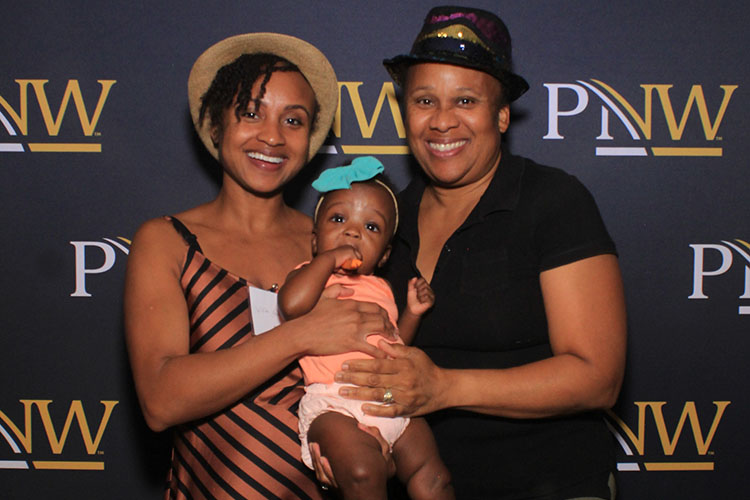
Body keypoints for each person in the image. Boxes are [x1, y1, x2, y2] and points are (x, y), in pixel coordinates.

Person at [331, 6, 627, 500]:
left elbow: (597, 378)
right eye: (425, 100)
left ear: (502, 115)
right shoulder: (385, 221)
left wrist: (445, 387)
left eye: (465, 100)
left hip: (549, 483)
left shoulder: (551, 200)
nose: (442, 121)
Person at [124, 33, 396, 499]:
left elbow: (379, 363)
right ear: (214, 124)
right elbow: (161, 400)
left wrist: (380, 445)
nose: (272, 136)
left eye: (293, 120)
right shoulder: (166, 242)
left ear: (310, 139)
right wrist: (303, 334)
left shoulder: (334, 241)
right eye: (251, 113)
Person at [278, 156, 453, 500]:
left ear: (385, 255)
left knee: (434, 477)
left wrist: (413, 314)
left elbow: (394, 343)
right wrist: (327, 260)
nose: (353, 231)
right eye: (339, 219)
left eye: (371, 227)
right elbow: (291, 305)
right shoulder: (308, 276)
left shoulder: (382, 288)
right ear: (314, 241)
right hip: (334, 402)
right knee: (362, 472)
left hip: (388, 396)